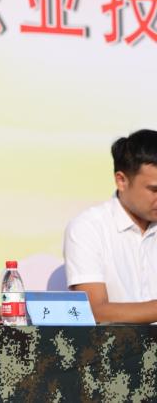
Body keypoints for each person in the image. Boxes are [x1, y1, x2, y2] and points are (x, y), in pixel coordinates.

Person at [64, 129, 157, 323]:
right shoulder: (87, 228)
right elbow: (94, 311)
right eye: (154, 189)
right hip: (115, 343)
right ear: (121, 181)